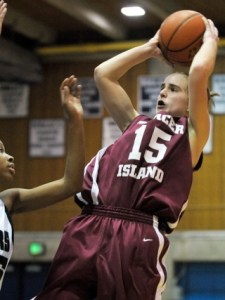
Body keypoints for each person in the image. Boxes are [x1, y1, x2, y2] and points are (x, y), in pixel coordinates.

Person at [34, 17, 219, 300]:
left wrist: (209, 41)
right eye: (162, 86)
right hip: (91, 222)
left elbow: (198, 73)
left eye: (173, 89)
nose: (162, 91)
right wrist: (150, 48)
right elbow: (103, 74)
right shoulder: (135, 123)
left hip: (139, 232)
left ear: (194, 103)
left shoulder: (191, 135)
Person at [0, 2, 85, 287]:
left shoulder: (8, 202)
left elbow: (71, 184)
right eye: (0, 150)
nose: (10, 155)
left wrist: (75, 120)